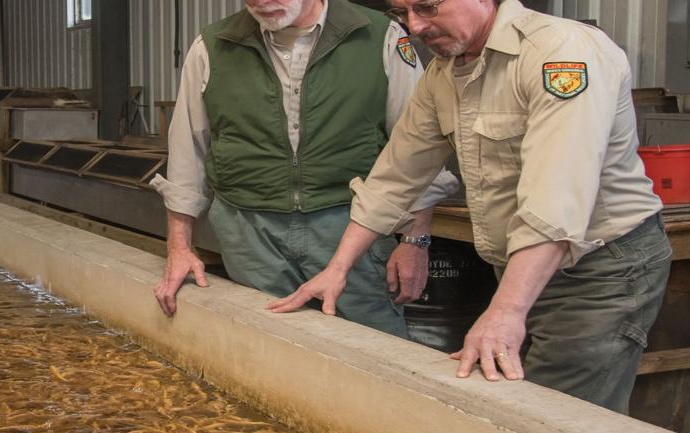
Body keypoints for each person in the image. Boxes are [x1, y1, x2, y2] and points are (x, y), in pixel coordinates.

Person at [269, 0, 671, 414]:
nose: (415, 26)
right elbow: (394, 177)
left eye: (427, 7)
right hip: (524, 264)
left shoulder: (563, 53)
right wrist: (336, 271)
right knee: (521, 402)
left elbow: (556, 201)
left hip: (600, 268)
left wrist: (505, 312)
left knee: (559, 416)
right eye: (401, 13)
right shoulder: (445, 74)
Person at [152, 0, 459, 338]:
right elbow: (186, 154)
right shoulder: (211, 46)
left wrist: (416, 240)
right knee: (267, 344)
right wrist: (179, 247)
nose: (261, 2)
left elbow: (418, 151)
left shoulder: (377, 38)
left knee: (371, 345)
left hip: (351, 225)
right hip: (250, 232)